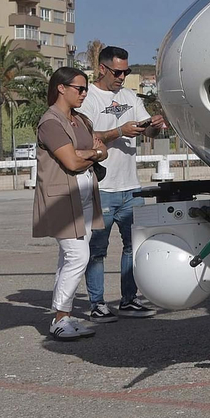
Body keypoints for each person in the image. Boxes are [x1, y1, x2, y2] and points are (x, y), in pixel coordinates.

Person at [79, 45, 169, 320]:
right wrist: (119, 131)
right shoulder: (88, 97)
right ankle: (97, 304)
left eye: (126, 72)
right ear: (102, 68)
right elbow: (85, 136)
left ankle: (129, 301)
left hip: (131, 188)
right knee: (97, 250)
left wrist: (154, 125)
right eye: (117, 72)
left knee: (134, 247)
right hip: (102, 188)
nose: (122, 77)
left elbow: (147, 132)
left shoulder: (129, 96)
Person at [32, 67, 110, 341]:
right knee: (78, 257)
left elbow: (102, 151)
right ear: (61, 88)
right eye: (79, 88)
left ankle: (63, 317)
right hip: (62, 200)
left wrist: (89, 152)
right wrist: (92, 153)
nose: (84, 93)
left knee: (68, 258)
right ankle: (59, 319)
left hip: (85, 197)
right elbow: (72, 162)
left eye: (86, 88)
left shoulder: (81, 120)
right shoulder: (51, 123)